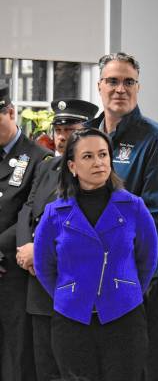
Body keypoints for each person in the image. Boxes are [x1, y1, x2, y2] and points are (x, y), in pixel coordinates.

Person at [33, 128, 158, 381]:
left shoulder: (134, 206)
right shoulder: (54, 212)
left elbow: (148, 261)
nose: (98, 162)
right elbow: (44, 267)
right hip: (72, 321)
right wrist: (70, 291)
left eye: (103, 154)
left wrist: (124, 288)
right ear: (72, 166)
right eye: (88, 156)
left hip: (124, 318)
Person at [87, 52, 158, 380]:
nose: (119, 89)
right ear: (99, 86)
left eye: (128, 82)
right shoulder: (84, 136)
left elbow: (152, 219)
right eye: (112, 81)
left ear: (138, 88)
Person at [16, 98, 98, 381]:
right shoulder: (47, 167)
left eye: (71, 129)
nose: (63, 136)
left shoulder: (95, 174)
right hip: (38, 288)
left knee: (74, 372)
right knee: (44, 370)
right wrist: (25, 249)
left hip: (70, 286)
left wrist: (38, 251)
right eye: (59, 129)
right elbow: (27, 210)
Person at [0, 84, 52, 381]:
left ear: (11, 112)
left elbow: (27, 214)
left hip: (11, 270)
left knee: (15, 356)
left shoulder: (39, 158)